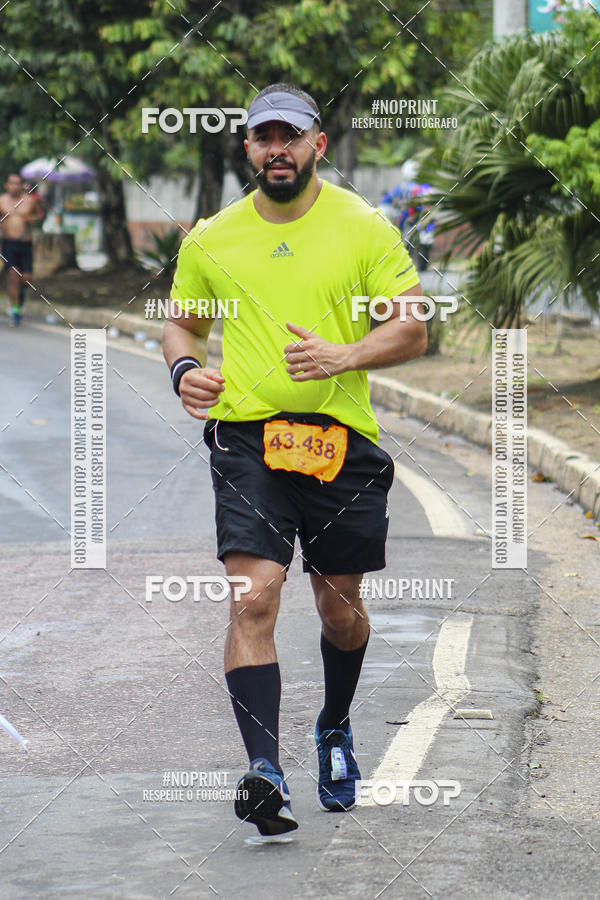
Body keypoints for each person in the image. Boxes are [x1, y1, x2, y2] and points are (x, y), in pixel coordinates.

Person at [162, 83, 426, 836]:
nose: (276, 149)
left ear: (316, 143)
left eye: (291, 135)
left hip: (341, 444)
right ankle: (265, 769)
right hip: (246, 439)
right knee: (253, 597)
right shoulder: (211, 237)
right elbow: (181, 326)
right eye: (262, 137)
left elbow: (411, 330)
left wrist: (348, 352)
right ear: (246, 148)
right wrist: (186, 371)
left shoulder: (364, 227)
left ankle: (335, 727)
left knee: (340, 611)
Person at [0, 173, 43, 325]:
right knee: (12, 275)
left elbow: (40, 215)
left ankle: (19, 296)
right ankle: (16, 311)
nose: (15, 186)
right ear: (7, 185)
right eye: (12, 183)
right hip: (8, 243)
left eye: (18, 183)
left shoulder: (29, 201)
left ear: (21, 185)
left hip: (25, 244)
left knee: (25, 279)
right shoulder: (2, 201)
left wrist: (33, 219)